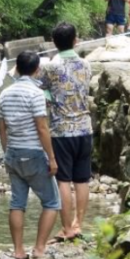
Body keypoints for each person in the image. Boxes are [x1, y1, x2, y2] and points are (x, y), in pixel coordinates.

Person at [0, 50, 60, 259]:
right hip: (33, 153)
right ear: (37, 70)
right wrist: (51, 158)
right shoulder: (36, 94)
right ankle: (39, 249)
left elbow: (1, 127)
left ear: (16, 68)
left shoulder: (5, 94)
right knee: (51, 202)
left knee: (17, 203)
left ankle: (18, 251)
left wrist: (6, 153)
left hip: (13, 153)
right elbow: (42, 127)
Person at [39, 22, 93, 241]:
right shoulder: (86, 65)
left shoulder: (50, 67)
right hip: (85, 129)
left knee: (63, 181)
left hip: (61, 131)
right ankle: (78, 224)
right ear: (75, 40)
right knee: (82, 180)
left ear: (54, 43)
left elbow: (40, 90)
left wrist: (51, 98)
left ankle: (67, 228)